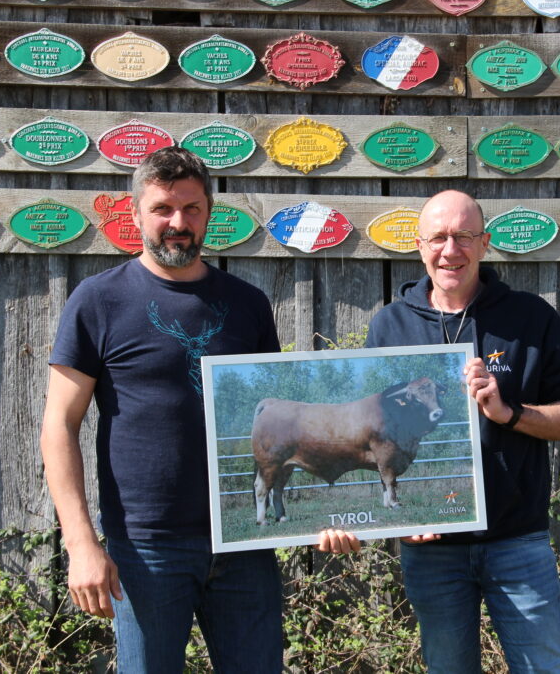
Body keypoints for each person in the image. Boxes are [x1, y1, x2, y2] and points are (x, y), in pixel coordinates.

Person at [39, 146, 360, 673]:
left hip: (244, 540)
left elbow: (280, 422)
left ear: (209, 213)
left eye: (191, 209)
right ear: (136, 213)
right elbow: (59, 426)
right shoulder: (98, 301)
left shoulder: (248, 304)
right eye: (163, 208)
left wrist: (322, 516)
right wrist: (80, 544)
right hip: (146, 547)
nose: (177, 223)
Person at [366, 190, 560, 673]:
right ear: (419, 244)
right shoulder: (389, 326)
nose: (451, 250)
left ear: (485, 243)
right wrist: (396, 523)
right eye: (439, 238)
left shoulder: (530, 318)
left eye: (465, 236)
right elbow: (375, 434)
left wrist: (509, 412)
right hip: (432, 552)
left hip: (518, 542)